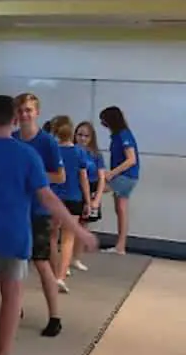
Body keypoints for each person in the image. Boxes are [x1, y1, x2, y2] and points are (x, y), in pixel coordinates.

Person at [0, 95, 98, 355]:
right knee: (12, 300)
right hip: (15, 236)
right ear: (14, 119)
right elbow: (48, 198)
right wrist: (78, 229)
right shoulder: (27, 155)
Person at [13, 92, 65, 337]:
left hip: (38, 209)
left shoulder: (47, 142)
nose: (24, 114)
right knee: (14, 262)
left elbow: (60, 176)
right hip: (15, 209)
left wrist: (33, 175)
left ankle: (55, 315)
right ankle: (16, 306)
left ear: (37, 112)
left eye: (29, 110)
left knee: (41, 261)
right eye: (21, 110)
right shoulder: (12, 139)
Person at [49, 116, 91, 293]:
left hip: (54, 197)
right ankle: (61, 275)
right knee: (68, 238)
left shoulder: (52, 151)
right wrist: (88, 201)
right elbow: (84, 179)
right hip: (74, 197)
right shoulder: (79, 152)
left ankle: (53, 272)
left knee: (52, 236)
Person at [99, 106, 139, 255]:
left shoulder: (123, 135)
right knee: (121, 209)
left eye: (103, 120)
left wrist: (112, 173)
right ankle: (120, 246)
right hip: (127, 176)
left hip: (125, 176)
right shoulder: (118, 135)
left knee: (94, 190)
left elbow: (131, 159)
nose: (102, 123)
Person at [74, 121, 106, 270]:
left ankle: (76, 257)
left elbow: (101, 178)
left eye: (86, 136)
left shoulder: (96, 155)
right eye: (80, 135)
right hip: (75, 189)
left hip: (91, 188)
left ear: (91, 138)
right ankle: (65, 259)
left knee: (84, 225)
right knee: (71, 226)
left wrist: (97, 199)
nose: (82, 138)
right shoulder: (71, 151)